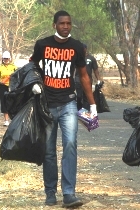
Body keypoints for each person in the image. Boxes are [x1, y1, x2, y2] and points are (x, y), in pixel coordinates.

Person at [30, 10, 97, 208]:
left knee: (70, 146)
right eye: (62, 23)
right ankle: (50, 192)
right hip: (47, 105)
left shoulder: (76, 47)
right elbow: (32, 65)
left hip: (68, 103)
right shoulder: (43, 44)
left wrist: (92, 104)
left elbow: (84, 76)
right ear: (54, 25)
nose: (66, 26)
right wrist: (35, 82)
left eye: (68, 23)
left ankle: (69, 193)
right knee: (49, 151)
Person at [75, 43, 101, 110]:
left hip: (88, 80)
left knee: (87, 97)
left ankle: (85, 111)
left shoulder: (91, 58)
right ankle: (79, 109)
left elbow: (95, 70)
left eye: (82, 49)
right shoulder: (77, 57)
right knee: (79, 96)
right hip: (78, 80)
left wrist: (98, 80)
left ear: (85, 49)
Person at [0, 51, 16, 126]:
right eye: (4, 58)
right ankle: (6, 120)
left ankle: (13, 118)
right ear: (3, 59)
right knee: (4, 102)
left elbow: (17, 75)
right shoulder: (0, 68)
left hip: (12, 86)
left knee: (12, 102)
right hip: (3, 87)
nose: (6, 60)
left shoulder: (13, 67)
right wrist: (0, 82)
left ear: (9, 58)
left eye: (7, 58)